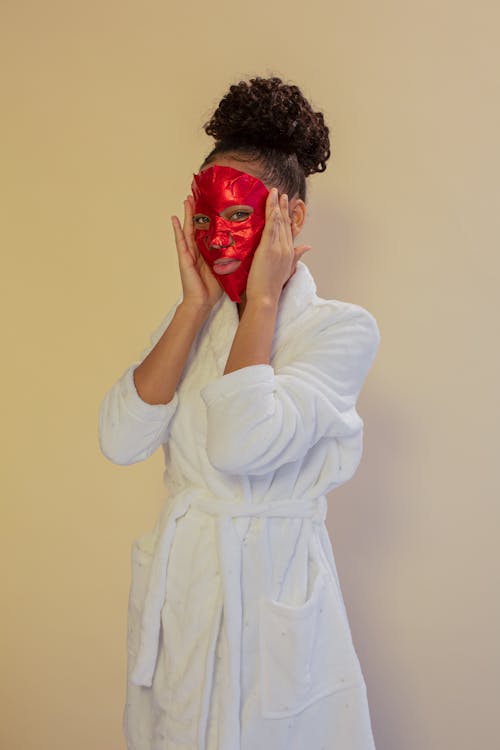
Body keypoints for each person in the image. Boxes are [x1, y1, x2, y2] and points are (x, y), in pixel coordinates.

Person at [98, 76, 381, 750]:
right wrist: (194, 308)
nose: (216, 236)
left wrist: (260, 303)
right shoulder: (190, 327)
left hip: (274, 593)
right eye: (205, 217)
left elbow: (242, 445)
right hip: (190, 592)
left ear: (294, 218)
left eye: (236, 216)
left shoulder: (339, 330)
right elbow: (119, 439)